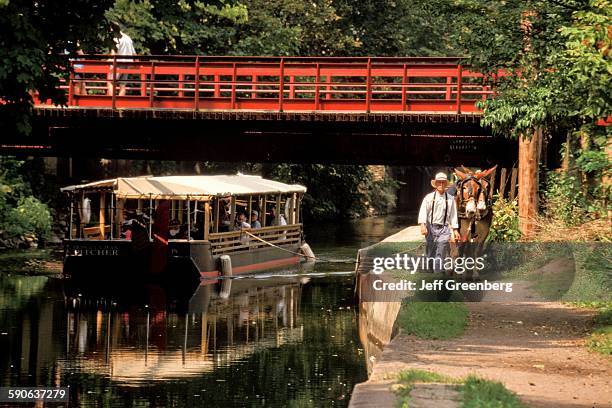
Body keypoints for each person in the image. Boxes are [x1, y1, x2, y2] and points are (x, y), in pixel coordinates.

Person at [418, 172, 460, 273]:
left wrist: (455, 231)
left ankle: (437, 272)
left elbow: (453, 215)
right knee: (431, 251)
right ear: (436, 184)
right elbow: (423, 211)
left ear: (446, 184)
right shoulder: (429, 197)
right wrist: (423, 225)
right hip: (431, 228)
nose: (441, 184)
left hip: (444, 229)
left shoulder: (450, 199)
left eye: (443, 182)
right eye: (439, 182)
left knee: (441, 251)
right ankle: (430, 269)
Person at [107, 22, 136, 96]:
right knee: (122, 85)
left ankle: (111, 104)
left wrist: (108, 61)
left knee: (111, 82)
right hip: (127, 64)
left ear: (112, 28)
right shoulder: (128, 38)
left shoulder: (115, 38)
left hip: (118, 64)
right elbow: (134, 54)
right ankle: (120, 105)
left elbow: (113, 54)